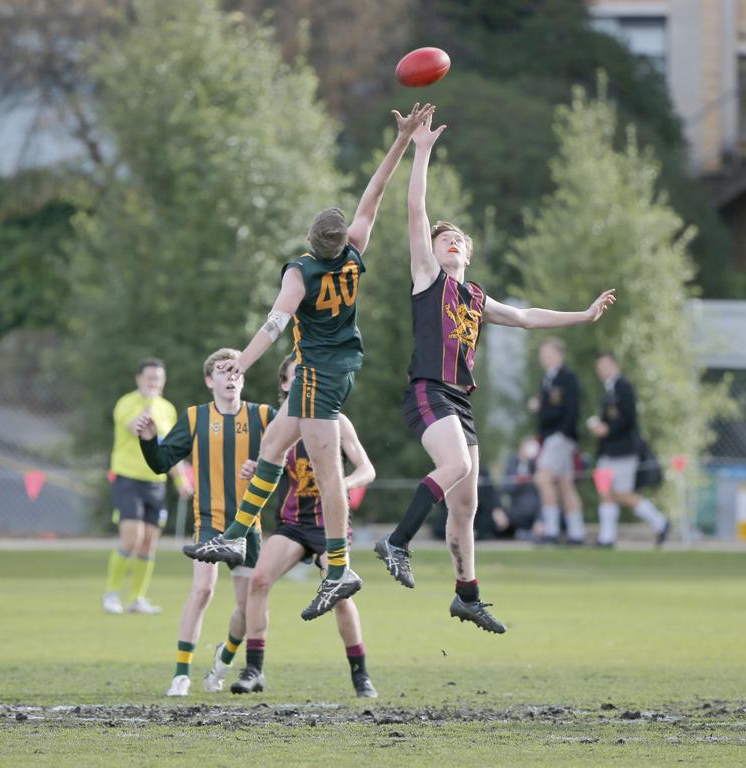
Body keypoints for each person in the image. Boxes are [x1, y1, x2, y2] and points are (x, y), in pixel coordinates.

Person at [183, 102, 436, 622]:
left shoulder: (299, 274)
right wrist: (403, 141)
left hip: (320, 374)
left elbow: (273, 325)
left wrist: (242, 364)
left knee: (325, 473)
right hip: (331, 366)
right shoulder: (355, 250)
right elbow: (376, 193)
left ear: (308, 241)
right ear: (341, 239)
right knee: (274, 443)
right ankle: (234, 539)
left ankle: (340, 567)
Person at [373, 110, 616, 634]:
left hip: (460, 401)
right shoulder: (428, 278)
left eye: (458, 238)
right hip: (428, 391)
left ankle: (467, 595)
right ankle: (396, 542)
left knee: (467, 503)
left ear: (471, 252)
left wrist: (583, 313)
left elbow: (527, 318)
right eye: (444, 239)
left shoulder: (476, 297)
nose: (450, 241)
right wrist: (421, 150)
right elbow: (416, 209)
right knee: (456, 465)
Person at [231, 355, 377, 697]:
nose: (306, 380)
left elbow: (367, 469)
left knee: (340, 596)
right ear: (285, 384)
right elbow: (272, 464)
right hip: (294, 522)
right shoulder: (281, 427)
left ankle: (361, 676)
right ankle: (253, 671)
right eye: (298, 376)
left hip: (331, 526)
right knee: (258, 581)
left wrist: (346, 484)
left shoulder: (336, 420)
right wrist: (256, 469)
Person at [134, 349, 275, 697]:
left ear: (243, 378)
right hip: (210, 523)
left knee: (246, 607)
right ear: (209, 381)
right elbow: (161, 463)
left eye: (236, 372)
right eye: (223, 372)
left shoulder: (263, 417)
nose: (231, 378)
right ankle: (181, 673)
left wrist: (262, 467)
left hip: (248, 527)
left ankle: (223, 660)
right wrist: (150, 439)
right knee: (202, 590)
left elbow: (285, 464)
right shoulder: (196, 418)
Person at [103, 358, 191, 616]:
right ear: (138, 379)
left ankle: (137, 598)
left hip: (156, 483)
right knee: (132, 538)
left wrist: (181, 480)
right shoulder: (127, 403)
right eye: (149, 377)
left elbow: (170, 449)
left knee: (149, 543)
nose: (154, 382)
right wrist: (149, 403)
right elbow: (135, 427)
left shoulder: (167, 408)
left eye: (158, 378)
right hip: (128, 479)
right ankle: (110, 594)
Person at [587, 353, 669, 547]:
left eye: (605, 366)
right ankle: (606, 538)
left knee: (623, 494)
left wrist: (608, 428)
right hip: (607, 451)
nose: (602, 371)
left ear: (615, 365)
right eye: (599, 367)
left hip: (624, 451)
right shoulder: (607, 390)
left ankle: (660, 522)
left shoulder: (625, 387)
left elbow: (628, 419)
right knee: (604, 492)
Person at [528, 338, 585, 544]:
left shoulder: (567, 378)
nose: (545, 358)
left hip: (560, 437)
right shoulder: (548, 379)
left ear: (559, 354)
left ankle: (551, 531)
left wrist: (562, 434)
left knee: (543, 478)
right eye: (543, 355)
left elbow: (571, 409)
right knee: (564, 483)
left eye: (549, 354)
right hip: (551, 437)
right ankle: (576, 533)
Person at [497, 437, 543, 540]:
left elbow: (542, 496)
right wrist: (520, 478)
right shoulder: (512, 464)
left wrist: (540, 519)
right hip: (516, 513)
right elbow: (506, 489)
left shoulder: (537, 466)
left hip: (535, 513)